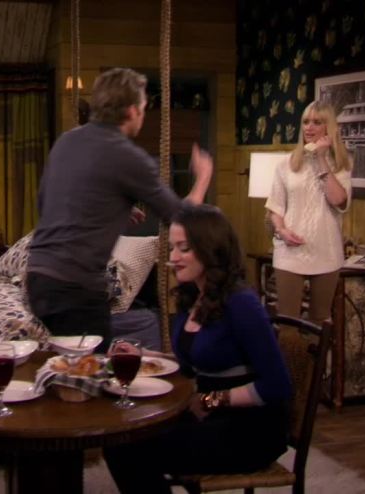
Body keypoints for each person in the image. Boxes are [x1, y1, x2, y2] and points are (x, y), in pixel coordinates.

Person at [104, 204, 293, 493]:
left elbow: (277, 385)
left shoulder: (241, 303)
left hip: (250, 429)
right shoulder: (193, 294)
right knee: (121, 436)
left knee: (130, 451)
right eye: (172, 248)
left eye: (184, 249)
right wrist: (144, 355)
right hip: (209, 416)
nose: (173, 257)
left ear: (210, 249)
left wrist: (209, 400)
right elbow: (193, 361)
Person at [26, 67, 213, 341]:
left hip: (38, 279)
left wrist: (112, 208)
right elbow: (181, 216)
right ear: (132, 111)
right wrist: (203, 177)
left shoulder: (67, 141)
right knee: (90, 365)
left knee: (65, 361)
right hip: (75, 286)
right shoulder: (127, 156)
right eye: (144, 108)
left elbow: (48, 204)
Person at [266, 100, 352, 325]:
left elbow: (338, 200)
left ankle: (316, 351)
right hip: (290, 251)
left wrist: (321, 158)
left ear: (328, 128)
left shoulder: (341, 165)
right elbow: (275, 206)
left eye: (317, 122)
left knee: (319, 320)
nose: (309, 127)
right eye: (306, 122)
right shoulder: (286, 164)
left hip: (326, 251)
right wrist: (281, 230)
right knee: (287, 321)